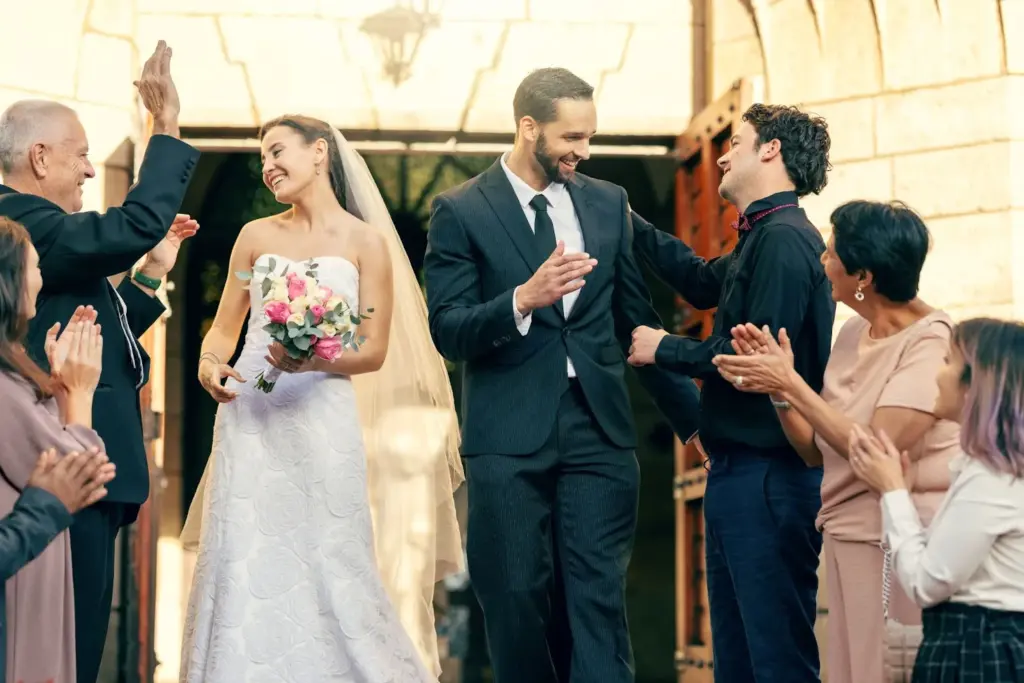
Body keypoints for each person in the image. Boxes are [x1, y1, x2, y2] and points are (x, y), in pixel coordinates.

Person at [423, 67, 700, 683]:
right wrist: (522, 298)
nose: (584, 151)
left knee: (596, 599)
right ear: (529, 129)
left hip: (599, 430)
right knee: (514, 594)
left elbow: (637, 320)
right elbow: (447, 328)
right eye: (572, 137)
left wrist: (691, 422)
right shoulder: (460, 211)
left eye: (591, 137)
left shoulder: (607, 203)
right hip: (507, 437)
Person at [179, 114, 463, 682]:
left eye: (278, 151)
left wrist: (313, 357)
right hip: (250, 416)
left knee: (330, 551)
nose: (268, 166)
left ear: (320, 154)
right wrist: (212, 364)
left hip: (323, 417)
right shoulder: (254, 239)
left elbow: (373, 348)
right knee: (244, 548)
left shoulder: (366, 244)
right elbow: (224, 326)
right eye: (262, 158)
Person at [0, 41, 200, 682]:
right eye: (81, 153)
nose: (90, 170)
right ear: (39, 157)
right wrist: (163, 130)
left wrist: (146, 284)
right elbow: (135, 220)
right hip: (64, 464)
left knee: (75, 648)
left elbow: (84, 328)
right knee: (67, 653)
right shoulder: (24, 224)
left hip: (86, 465)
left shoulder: (47, 235)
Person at [627, 103, 835, 682]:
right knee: (739, 662)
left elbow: (756, 361)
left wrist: (661, 348)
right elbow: (698, 282)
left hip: (769, 479)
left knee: (774, 660)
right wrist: (624, 218)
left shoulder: (786, 241)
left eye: (736, 142)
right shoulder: (761, 237)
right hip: (740, 477)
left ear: (771, 150)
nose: (721, 152)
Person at [711, 200, 960, 683]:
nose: (822, 262)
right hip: (845, 537)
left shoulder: (932, 342)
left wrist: (791, 384)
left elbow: (874, 449)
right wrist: (779, 395)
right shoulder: (851, 332)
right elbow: (813, 448)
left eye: (830, 253)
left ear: (862, 276)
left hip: (899, 543)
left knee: (882, 671)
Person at [849, 318, 1024, 681]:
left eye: (948, 361)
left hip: (977, 647)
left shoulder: (991, 477)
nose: (937, 374)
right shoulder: (991, 470)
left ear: (975, 384)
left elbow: (927, 583)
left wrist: (893, 491)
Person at [0, 216, 117, 683]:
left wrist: (60, 388)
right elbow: (79, 471)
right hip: (20, 554)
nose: (41, 276)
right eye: (34, 266)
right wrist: (83, 391)